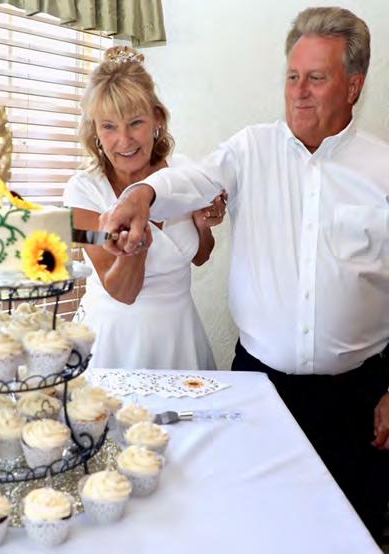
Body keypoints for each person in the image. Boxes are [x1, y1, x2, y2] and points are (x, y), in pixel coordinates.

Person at [99, 7, 389, 544]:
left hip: (357, 402)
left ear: (353, 86)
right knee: (253, 531)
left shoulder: (383, 170)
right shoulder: (250, 148)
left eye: (316, 78)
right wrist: (142, 193)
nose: (299, 92)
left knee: (346, 535)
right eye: (292, 76)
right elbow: (193, 179)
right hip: (261, 390)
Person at [63, 46, 225, 371]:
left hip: (179, 337)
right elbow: (122, 291)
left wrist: (203, 225)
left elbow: (200, 256)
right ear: (95, 130)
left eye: (135, 122)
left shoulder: (182, 174)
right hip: (112, 341)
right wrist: (136, 243)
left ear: (157, 120)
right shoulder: (81, 194)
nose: (124, 140)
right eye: (109, 126)